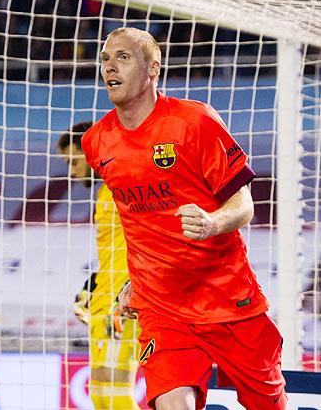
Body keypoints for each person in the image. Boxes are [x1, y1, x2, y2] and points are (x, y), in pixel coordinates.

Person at [81, 27, 286, 410]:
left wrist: (212, 223)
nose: (110, 67)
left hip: (227, 298)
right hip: (162, 308)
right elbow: (136, 223)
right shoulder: (97, 142)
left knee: (269, 404)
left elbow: (244, 206)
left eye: (123, 58)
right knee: (173, 402)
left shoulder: (194, 122)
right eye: (106, 59)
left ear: (152, 68)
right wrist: (131, 280)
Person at [58, 123, 139, 409]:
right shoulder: (106, 192)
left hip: (123, 303)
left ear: (92, 152)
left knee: (117, 395)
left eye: (74, 161)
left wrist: (129, 289)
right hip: (103, 301)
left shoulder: (128, 185)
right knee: (100, 395)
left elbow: (146, 242)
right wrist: (94, 285)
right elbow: (115, 249)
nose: (72, 171)